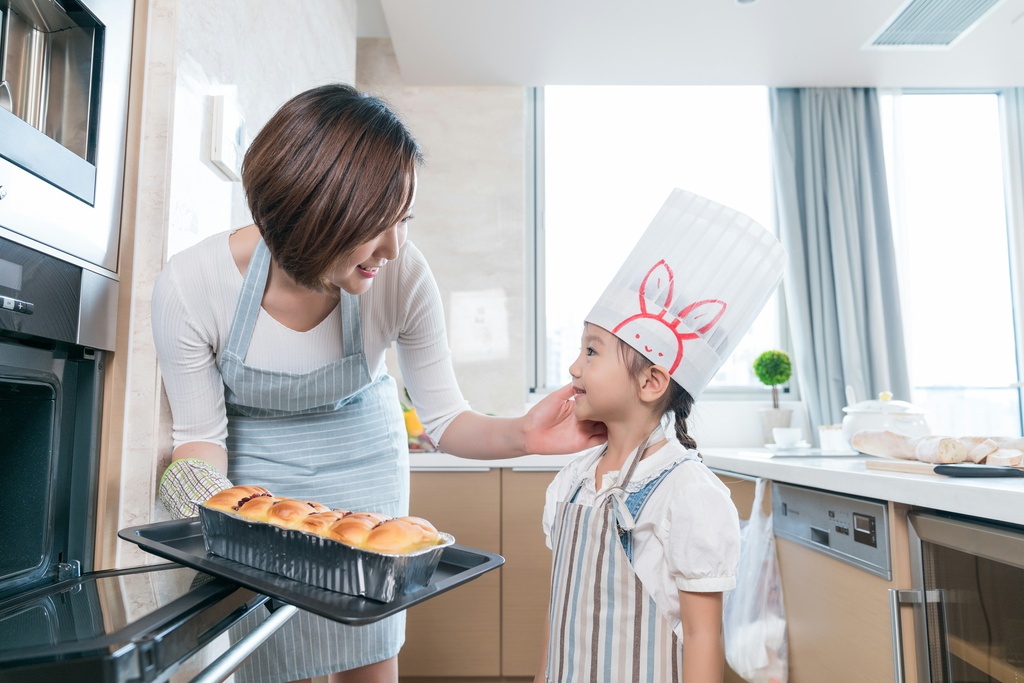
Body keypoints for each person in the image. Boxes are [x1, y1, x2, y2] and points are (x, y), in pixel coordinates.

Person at [151, 83, 606, 683]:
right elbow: (197, 440)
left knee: (368, 651)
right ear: (311, 214)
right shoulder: (191, 285)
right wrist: (220, 513)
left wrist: (525, 434)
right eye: (375, 225)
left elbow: (446, 420)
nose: (394, 247)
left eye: (404, 220)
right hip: (260, 485)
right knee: (265, 653)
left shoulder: (402, 275)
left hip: (366, 472)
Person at [535, 189, 788, 682]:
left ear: (651, 382)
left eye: (592, 351)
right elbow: (558, 614)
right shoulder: (573, 480)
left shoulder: (687, 492)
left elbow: (702, 636)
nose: (573, 366)